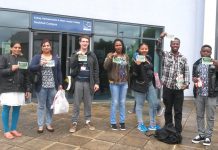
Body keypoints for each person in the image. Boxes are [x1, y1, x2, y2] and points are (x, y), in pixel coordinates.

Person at [156, 32, 190, 136]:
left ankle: (178, 130)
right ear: (170, 45)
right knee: (168, 109)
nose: (175, 45)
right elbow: (157, 49)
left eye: (177, 44)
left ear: (179, 45)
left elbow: (186, 71)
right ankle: (168, 128)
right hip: (167, 87)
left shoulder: (183, 58)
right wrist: (161, 37)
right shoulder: (165, 55)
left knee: (178, 111)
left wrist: (187, 83)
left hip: (179, 89)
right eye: (173, 44)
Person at [29, 39, 62, 133]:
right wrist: (39, 64)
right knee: (41, 106)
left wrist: (60, 84)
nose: (46, 47)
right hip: (41, 86)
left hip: (52, 86)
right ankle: (40, 125)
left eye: (48, 45)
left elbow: (59, 71)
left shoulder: (55, 57)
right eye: (44, 45)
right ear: (41, 47)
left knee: (50, 106)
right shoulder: (37, 57)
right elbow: (31, 68)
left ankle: (48, 123)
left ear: (51, 47)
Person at [0, 41, 31, 139]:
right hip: (8, 88)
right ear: (11, 48)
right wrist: (10, 69)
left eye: (19, 47)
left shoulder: (23, 59)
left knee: (17, 109)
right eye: (15, 47)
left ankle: (13, 129)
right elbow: (1, 71)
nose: (17, 49)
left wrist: (28, 89)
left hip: (20, 88)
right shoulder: (4, 57)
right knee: (6, 108)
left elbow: (27, 76)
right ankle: (6, 130)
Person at [69, 35, 99, 133]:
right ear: (80, 43)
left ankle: (88, 121)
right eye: (83, 41)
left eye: (87, 41)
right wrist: (77, 55)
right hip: (78, 82)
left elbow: (96, 69)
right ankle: (74, 122)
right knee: (76, 103)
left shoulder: (92, 55)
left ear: (88, 43)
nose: (85, 43)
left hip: (88, 82)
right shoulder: (75, 53)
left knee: (88, 103)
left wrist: (96, 83)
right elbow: (71, 65)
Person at [131, 43, 160, 132]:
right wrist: (137, 65)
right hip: (140, 85)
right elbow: (134, 73)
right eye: (142, 49)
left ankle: (152, 124)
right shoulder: (135, 58)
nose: (144, 50)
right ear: (139, 49)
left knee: (154, 104)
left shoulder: (149, 57)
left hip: (150, 84)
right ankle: (140, 124)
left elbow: (150, 69)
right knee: (139, 105)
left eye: (146, 48)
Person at [191, 45, 218, 146]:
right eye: (204, 51)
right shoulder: (196, 64)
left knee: (210, 117)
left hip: (211, 94)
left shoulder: (214, 64)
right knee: (199, 115)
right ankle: (201, 134)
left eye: (208, 52)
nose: (206, 53)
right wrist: (194, 79)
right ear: (200, 52)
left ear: (210, 53)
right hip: (199, 93)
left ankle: (208, 136)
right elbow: (194, 77)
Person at [104, 39, 129, 130]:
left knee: (122, 102)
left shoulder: (126, 56)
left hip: (124, 83)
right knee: (115, 102)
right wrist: (111, 58)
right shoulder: (110, 55)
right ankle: (113, 122)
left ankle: (122, 122)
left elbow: (127, 68)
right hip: (114, 83)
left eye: (120, 45)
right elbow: (105, 66)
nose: (118, 47)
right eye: (116, 45)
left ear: (122, 46)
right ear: (114, 47)